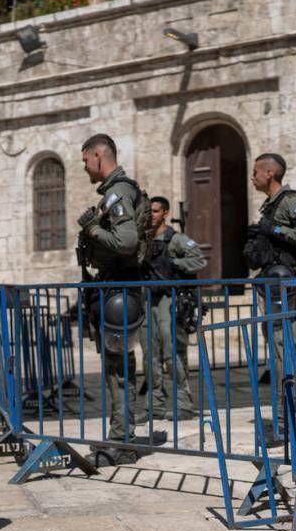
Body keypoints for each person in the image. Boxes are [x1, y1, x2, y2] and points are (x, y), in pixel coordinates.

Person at [76, 133, 145, 465]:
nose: (85, 166)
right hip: (114, 290)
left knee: (119, 369)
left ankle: (123, 440)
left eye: (86, 160)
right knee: (117, 367)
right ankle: (121, 434)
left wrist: (93, 229)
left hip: (120, 290)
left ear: (99, 155)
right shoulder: (116, 192)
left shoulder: (118, 192)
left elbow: (127, 241)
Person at [243, 153, 296, 389]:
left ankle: (295, 410)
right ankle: (290, 409)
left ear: (269, 173)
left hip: (290, 288)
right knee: (279, 346)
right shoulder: (271, 205)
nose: (252, 177)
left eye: (256, 172)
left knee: (288, 346)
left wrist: (277, 230)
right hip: (275, 287)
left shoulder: (290, 202)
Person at [140, 195, 207, 421]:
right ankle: (154, 406)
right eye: (149, 212)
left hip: (170, 301)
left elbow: (199, 260)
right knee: (150, 355)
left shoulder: (176, 239)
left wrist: (174, 264)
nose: (151, 216)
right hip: (148, 301)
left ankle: (184, 404)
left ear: (165, 213)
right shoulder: (144, 241)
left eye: (156, 211)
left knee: (173, 354)